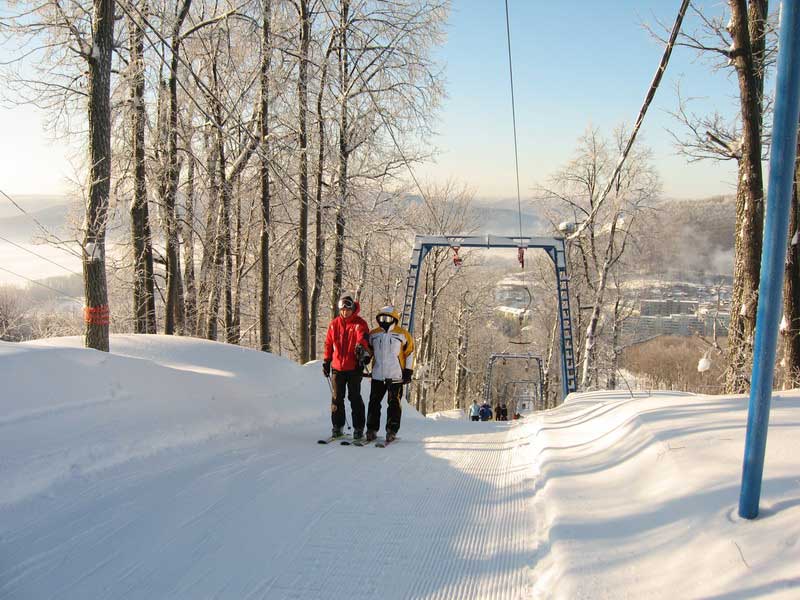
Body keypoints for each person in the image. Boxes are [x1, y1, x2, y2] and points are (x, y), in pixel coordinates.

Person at [323, 293, 370, 440]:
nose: (345, 312)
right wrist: (326, 360)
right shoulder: (334, 324)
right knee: (337, 398)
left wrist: (360, 346)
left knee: (354, 397)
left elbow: (363, 337)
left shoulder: (359, 323)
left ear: (352, 308)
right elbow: (328, 344)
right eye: (342, 309)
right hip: (338, 367)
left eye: (347, 309)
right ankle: (337, 426)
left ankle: (358, 428)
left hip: (354, 367)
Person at [365, 306, 414, 443]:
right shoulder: (374, 334)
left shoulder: (402, 334)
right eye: (381, 318)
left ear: (394, 319)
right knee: (374, 403)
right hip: (378, 375)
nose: (384, 321)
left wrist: (408, 371)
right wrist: (365, 357)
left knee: (394, 404)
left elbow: (409, 353)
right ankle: (371, 429)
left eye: (387, 318)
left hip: (396, 376)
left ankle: (392, 430)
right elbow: (368, 349)